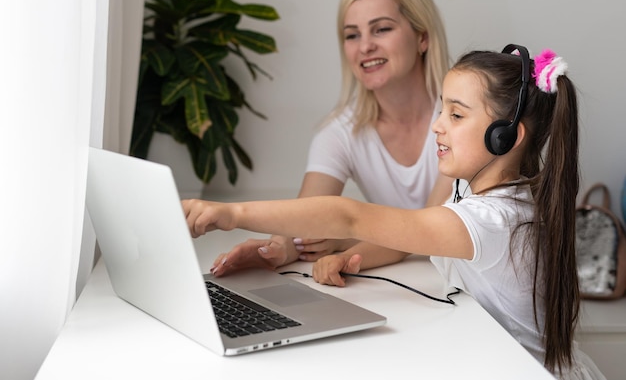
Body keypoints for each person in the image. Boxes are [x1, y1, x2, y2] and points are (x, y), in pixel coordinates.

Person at [183, 45, 606, 379]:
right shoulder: (479, 187)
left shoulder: (492, 221)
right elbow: (406, 239)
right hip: (489, 358)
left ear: (506, 136)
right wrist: (351, 258)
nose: (438, 125)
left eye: (456, 114)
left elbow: (349, 216)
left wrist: (233, 213)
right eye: (442, 109)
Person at [208, 0, 454, 277]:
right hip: (414, 283)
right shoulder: (341, 131)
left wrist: (349, 238)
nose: (365, 47)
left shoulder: (461, 117)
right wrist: (276, 249)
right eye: (352, 35)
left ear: (423, 37)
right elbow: (307, 214)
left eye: (382, 29)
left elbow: (427, 228)